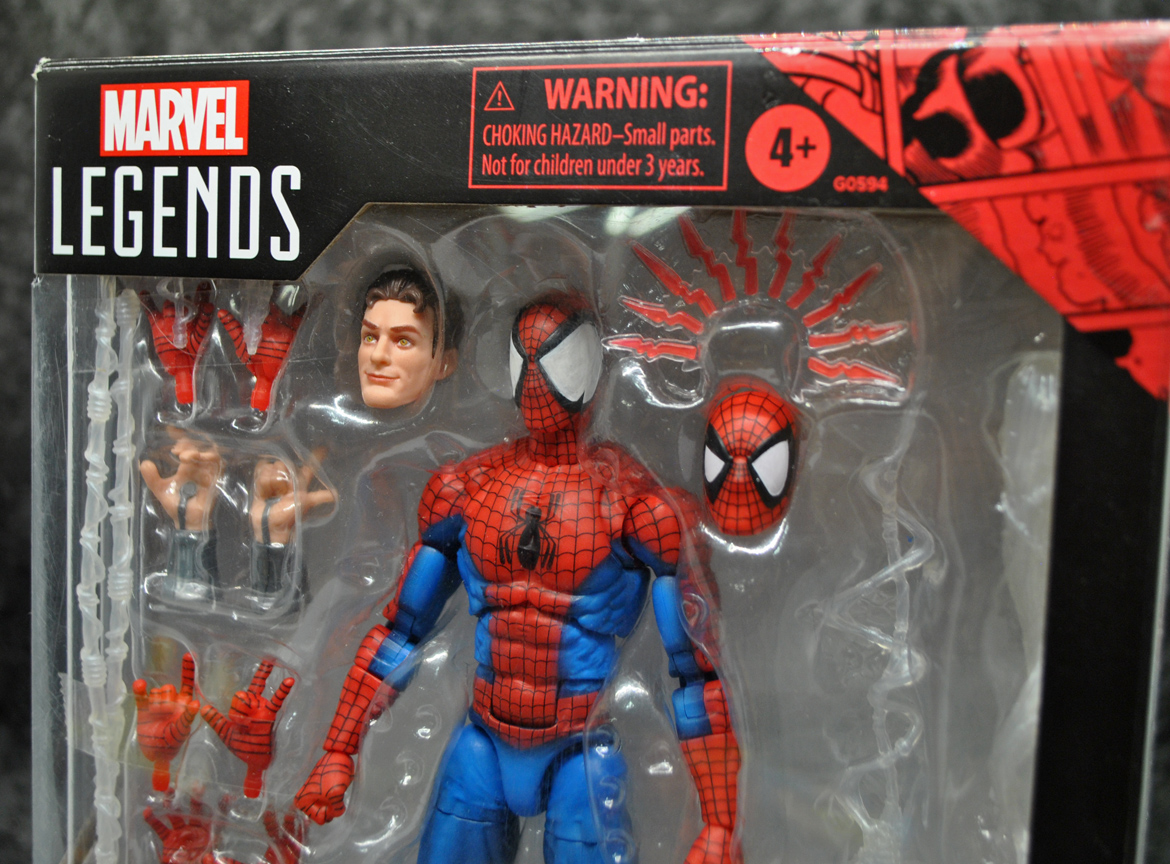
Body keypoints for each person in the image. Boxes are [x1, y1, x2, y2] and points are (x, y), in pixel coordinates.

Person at [296, 293, 740, 864]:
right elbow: (401, 631)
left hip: (580, 747)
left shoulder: (633, 505)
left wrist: (721, 822)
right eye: (525, 359)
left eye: (552, 359)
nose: (537, 379)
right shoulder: (466, 489)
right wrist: (338, 749)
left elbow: (697, 671)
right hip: (483, 739)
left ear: (593, 367)